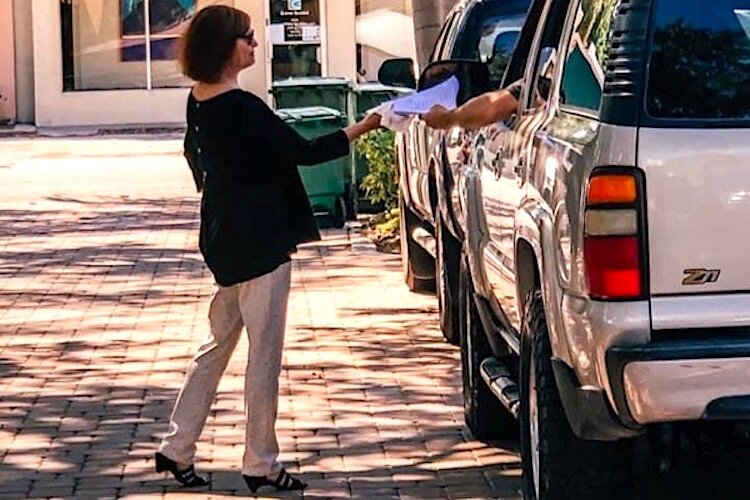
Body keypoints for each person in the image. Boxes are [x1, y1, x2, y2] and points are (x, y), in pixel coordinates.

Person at [154, 5, 381, 494]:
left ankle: (176, 448)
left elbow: (201, 164)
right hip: (260, 243)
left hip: (224, 239)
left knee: (215, 348)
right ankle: (261, 463)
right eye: (247, 38)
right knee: (263, 357)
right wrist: (367, 125)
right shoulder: (242, 107)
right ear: (226, 47)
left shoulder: (200, 100)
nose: (255, 45)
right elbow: (305, 152)